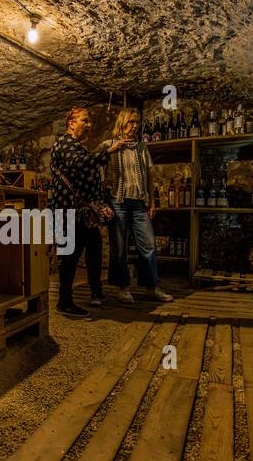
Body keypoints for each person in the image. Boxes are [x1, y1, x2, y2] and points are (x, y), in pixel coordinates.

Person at [49, 106, 127, 317]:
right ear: (71, 123)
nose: (90, 125)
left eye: (90, 121)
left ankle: (96, 292)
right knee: (70, 256)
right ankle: (64, 302)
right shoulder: (64, 143)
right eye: (85, 120)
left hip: (80, 212)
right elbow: (78, 164)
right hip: (66, 211)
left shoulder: (76, 146)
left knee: (93, 247)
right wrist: (107, 152)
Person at [104, 109, 174, 304]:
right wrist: (110, 150)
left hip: (139, 203)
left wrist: (152, 201)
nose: (135, 126)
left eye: (137, 123)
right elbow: (94, 161)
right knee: (119, 248)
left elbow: (149, 177)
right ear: (122, 123)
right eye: (131, 122)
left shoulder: (142, 147)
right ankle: (122, 288)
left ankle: (151, 288)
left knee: (149, 245)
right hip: (117, 202)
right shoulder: (109, 145)